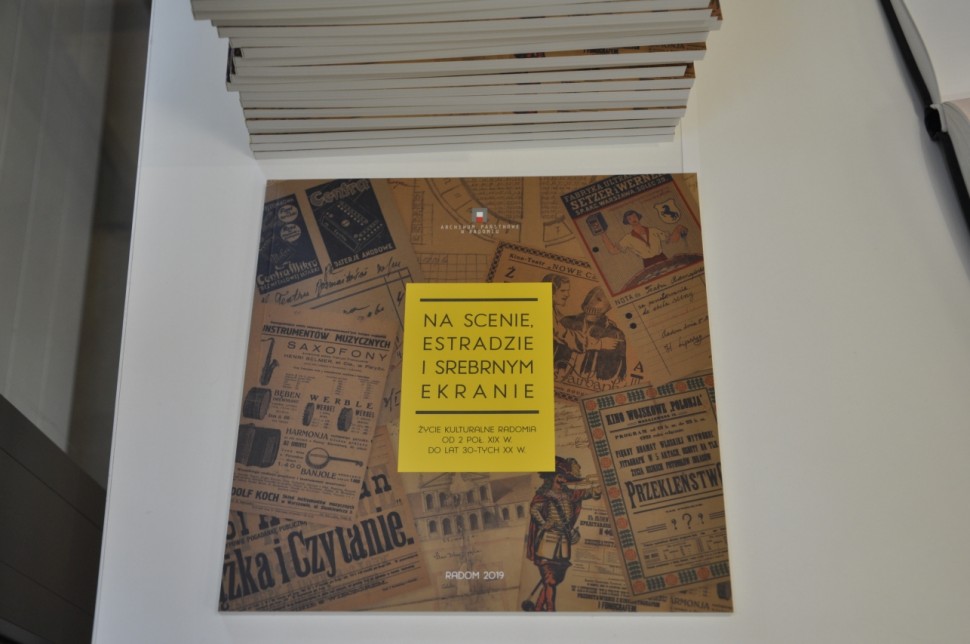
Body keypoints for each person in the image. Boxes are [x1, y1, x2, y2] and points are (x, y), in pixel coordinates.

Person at [523, 456, 601, 612]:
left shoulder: (568, 494)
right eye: (560, 476)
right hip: (548, 541)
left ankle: (538, 608)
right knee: (550, 581)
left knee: (554, 579)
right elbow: (534, 509)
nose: (563, 480)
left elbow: (585, 493)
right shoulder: (544, 495)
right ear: (553, 477)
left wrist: (596, 490)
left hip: (564, 543)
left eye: (565, 477)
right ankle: (551, 611)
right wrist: (544, 523)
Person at [601, 209, 687, 270]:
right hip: (649, 264)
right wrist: (602, 233)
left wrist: (678, 229)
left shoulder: (653, 231)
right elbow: (613, 251)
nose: (633, 219)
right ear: (627, 222)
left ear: (638, 217)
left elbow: (672, 240)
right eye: (629, 219)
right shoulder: (628, 239)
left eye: (634, 216)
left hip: (663, 259)